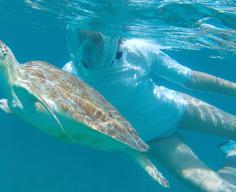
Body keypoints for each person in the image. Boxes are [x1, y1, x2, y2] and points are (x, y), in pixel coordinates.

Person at [63, 26, 236, 191]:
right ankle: (232, 151)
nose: (86, 48)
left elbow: (192, 79)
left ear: (116, 40)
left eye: (96, 39)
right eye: (81, 38)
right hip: (151, 139)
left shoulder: (138, 51)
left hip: (177, 108)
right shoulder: (69, 75)